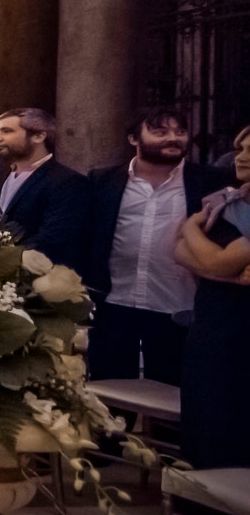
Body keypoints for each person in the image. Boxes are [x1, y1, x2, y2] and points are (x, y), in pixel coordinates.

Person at [84, 109, 229, 383]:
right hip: (114, 303)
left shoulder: (211, 182)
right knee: (109, 398)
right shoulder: (102, 181)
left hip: (179, 306)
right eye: (160, 132)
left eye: (180, 132)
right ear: (133, 139)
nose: (173, 139)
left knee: (173, 399)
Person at [172, 125, 250, 468]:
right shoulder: (226, 200)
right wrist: (227, 273)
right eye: (240, 148)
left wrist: (193, 231)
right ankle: (193, 507)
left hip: (242, 329)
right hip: (211, 321)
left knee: (231, 417)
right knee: (201, 412)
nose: (241, 157)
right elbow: (176, 250)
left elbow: (213, 258)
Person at [0, 108, 91, 271]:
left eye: (7, 131)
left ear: (39, 136)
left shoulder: (68, 182)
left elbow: (53, 239)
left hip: (30, 279)